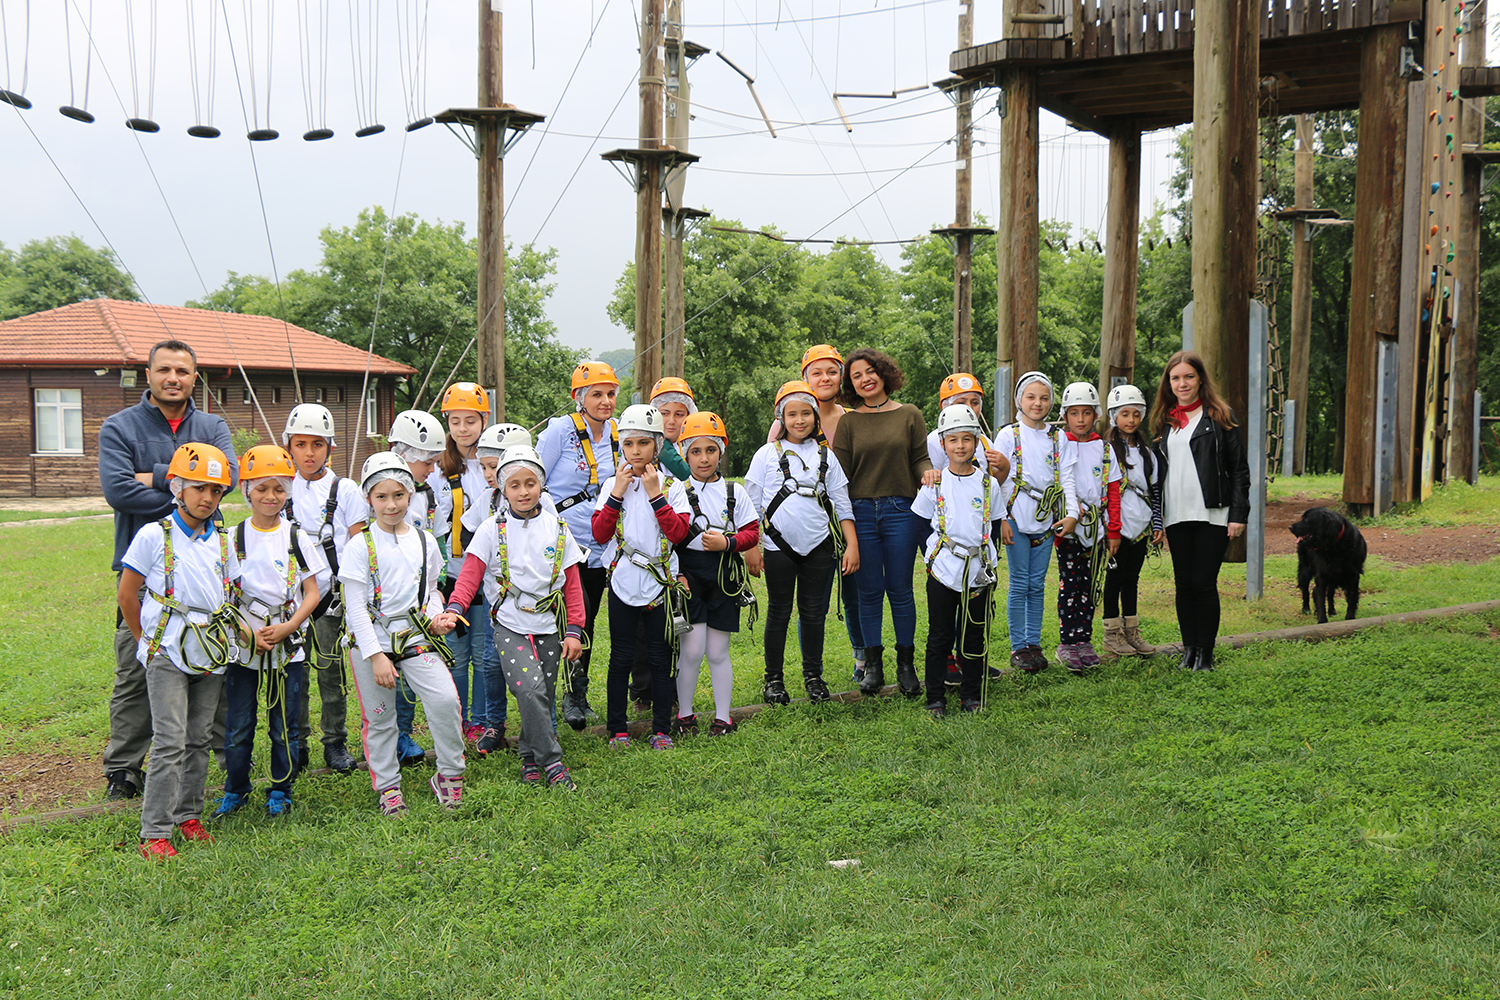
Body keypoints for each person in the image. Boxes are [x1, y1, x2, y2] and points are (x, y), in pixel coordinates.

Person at [98, 338, 236, 801]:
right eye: (164, 370)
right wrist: (177, 483)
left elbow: (228, 478)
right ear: (149, 375)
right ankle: (123, 768)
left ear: (194, 377)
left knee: (208, 659)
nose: (173, 378)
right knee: (136, 673)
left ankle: (219, 756)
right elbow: (118, 490)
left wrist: (151, 475)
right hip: (143, 569)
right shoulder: (119, 427)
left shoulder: (212, 424)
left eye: (182, 370)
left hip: (199, 567)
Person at [117, 443, 239, 858]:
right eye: (198, 488)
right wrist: (145, 642)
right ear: (177, 487)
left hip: (210, 652)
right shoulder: (154, 535)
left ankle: (188, 815)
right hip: (167, 654)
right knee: (169, 740)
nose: (207, 498)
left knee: (198, 738)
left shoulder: (222, 541)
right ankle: (155, 831)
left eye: (216, 491)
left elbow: (230, 593)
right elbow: (127, 594)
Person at [442, 444, 586, 789]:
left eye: (530, 483)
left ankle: (527, 756)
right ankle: (552, 762)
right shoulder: (492, 528)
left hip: (550, 625)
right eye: (515, 485)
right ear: (502, 489)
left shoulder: (558, 528)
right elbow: (471, 574)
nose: (523, 492)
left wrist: (575, 630)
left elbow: (574, 586)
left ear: (541, 485)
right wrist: (454, 608)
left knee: (542, 695)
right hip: (509, 624)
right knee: (530, 688)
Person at [342, 453, 465, 815]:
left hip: (413, 636)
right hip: (372, 640)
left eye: (398, 494)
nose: (391, 504)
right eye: (381, 497)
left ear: (410, 494)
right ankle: (388, 786)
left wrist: (437, 617)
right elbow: (355, 608)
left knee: (444, 700)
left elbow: (428, 593)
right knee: (380, 716)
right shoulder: (358, 547)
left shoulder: (425, 541)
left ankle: (449, 774)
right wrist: (376, 655)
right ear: (369, 499)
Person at [212, 445, 323, 819]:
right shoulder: (232, 538)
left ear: (288, 491)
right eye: (262, 489)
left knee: (284, 723)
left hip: (288, 647)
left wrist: (292, 625)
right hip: (244, 647)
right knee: (239, 723)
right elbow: (224, 596)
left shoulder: (295, 536)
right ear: (246, 490)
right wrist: (246, 634)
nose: (270, 497)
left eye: (278, 489)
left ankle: (281, 788)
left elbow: (313, 590)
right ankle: (235, 788)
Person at [746, 380, 857, 706]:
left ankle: (813, 676)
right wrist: (752, 546)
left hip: (819, 547)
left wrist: (852, 544)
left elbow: (842, 502)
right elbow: (751, 505)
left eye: (806, 413)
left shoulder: (827, 456)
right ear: (781, 418)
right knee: (778, 613)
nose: (799, 420)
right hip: (778, 547)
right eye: (791, 414)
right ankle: (774, 680)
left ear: (815, 417)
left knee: (812, 614)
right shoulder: (766, 455)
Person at [830, 348, 933, 699]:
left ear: (884, 373)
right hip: (859, 512)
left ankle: (906, 665)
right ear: (851, 384)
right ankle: (873, 666)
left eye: (870, 371)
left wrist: (928, 474)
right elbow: (839, 476)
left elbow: (919, 458)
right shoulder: (849, 422)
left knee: (901, 591)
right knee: (869, 592)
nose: (865, 379)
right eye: (856, 375)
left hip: (901, 510)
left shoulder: (909, 414)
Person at [590, 404, 692, 749]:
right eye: (629, 444)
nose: (636, 451)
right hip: (622, 581)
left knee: (661, 656)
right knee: (621, 656)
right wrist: (618, 493)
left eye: (644, 444)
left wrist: (654, 494)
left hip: (659, 583)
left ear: (657, 446)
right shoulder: (611, 486)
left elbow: (678, 533)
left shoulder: (672, 486)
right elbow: (600, 533)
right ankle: (617, 728)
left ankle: (662, 728)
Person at [1150, 351, 1250, 673]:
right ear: (1169, 383)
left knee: (1204, 583)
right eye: (1176, 378)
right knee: (1184, 585)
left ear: (1200, 379)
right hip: (1175, 514)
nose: (1182, 383)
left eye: (1188, 377)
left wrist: (1238, 514)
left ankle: (1205, 655)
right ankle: (1189, 650)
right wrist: (1157, 518)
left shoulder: (1220, 416)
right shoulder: (1163, 421)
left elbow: (1239, 471)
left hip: (1213, 513)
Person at [283, 402, 367, 774]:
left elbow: (359, 543)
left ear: (330, 447)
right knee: (295, 675)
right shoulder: (282, 488)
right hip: (293, 601)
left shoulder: (344, 489)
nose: (309, 453)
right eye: (300, 444)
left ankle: (334, 741)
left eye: (317, 444)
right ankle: (295, 743)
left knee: (332, 674)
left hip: (331, 599)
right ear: (290, 447)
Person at [537, 361, 621, 729]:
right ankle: (563, 694)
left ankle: (577, 693)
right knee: (573, 618)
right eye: (597, 394)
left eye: (610, 394)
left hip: (602, 544)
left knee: (590, 619)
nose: (605, 401)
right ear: (579, 398)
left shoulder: (619, 434)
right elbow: (535, 478)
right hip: (566, 542)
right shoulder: (560, 431)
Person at [667, 412, 760, 736]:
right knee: (691, 651)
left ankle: (724, 717)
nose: (703, 458)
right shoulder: (677, 490)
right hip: (690, 577)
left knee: (718, 652)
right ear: (684, 454)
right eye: (695, 451)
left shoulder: (735, 492)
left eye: (710, 450)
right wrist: (675, 573)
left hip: (724, 578)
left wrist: (729, 542)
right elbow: (670, 533)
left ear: (721, 451)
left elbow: (752, 532)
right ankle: (686, 715)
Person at [914, 405, 1004, 716]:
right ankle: (935, 697)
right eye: (953, 440)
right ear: (942, 444)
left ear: (978, 441)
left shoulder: (989, 484)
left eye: (967, 439)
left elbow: (993, 527)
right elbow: (920, 524)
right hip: (943, 571)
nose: (961, 446)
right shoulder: (934, 483)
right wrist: (930, 559)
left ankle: (971, 695)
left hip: (978, 572)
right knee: (939, 635)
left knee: (974, 633)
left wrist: (990, 566)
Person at [924, 372, 1010, 687]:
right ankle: (946, 664)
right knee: (943, 619)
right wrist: (934, 555)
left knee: (975, 619)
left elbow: (991, 493)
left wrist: (1006, 468)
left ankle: (971, 664)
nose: (970, 407)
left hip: (979, 540)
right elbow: (929, 506)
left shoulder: (984, 445)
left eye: (975, 402)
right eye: (962, 402)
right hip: (946, 545)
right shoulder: (936, 441)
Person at [458, 420, 535, 755]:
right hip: (497, 605)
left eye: (494, 467)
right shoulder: (488, 501)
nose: (489, 475)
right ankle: (495, 723)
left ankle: (540, 725)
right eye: (485, 467)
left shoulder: (537, 502)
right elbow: (465, 536)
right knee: (491, 664)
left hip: (534, 606)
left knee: (534, 671)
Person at [996, 372, 1078, 673]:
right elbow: (999, 481)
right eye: (1030, 397)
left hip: (1046, 522)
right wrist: (1002, 518)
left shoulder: (1058, 438)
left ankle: (1034, 643)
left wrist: (1072, 514)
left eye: (1044, 398)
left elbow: (1067, 479)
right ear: (1019, 400)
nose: (1037, 403)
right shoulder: (1009, 435)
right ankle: (1018, 646)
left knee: (1036, 584)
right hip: (1016, 518)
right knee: (1019, 583)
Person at [387, 408, 452, 767]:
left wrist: (437, 585)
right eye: (426, 462)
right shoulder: (381, 493)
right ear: (404, 455)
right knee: (390, 670)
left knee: (416, 661)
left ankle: (406, 731)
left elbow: (438, 538)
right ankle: (392, 734)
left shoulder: (426, 493)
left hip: (421, 596)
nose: (431, 469)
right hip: (389, 599)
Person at [433, 382, 495, 744]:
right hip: (453, 575)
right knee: (456, 653)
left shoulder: (492, 463)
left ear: (483, 420)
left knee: (484, 653)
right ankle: (458, 718)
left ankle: (482, 718)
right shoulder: (441, 469)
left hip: (486, 577)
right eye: (455, 421)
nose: (463, 428)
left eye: (470, 420)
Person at [1054, 382, 1122, 674]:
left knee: (1090, 584)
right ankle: (1067, 642)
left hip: (1096, 530)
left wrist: (1114, 531)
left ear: (1096, 415)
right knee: (1070, 584)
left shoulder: (1104, 449)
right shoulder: (1059, 444)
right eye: (1074, 413)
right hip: (1069, 531)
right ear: (1065, 416)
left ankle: (1085, 639)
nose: (1080, 419)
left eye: (1086, 413)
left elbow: (1113, 490)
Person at [1099, 385, 1163, 658]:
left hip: (1140, 526)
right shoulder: (1107, 450)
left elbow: (1155, 490)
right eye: (1125, 414)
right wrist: (1107, 527)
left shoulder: (1148, 453)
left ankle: (1131, 631)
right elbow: (1103, 490)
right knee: (1114, 579)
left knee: (1132, 579)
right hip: (1117, 527)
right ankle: (1111, 634)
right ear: (1114, 416)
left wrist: (1158, 524)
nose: (1131, 420)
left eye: (1136, 414)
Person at [649, 376, 695, 481]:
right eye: (664, 413)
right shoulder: (641, 443)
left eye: (679, 414)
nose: (671, 421)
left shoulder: (695, 444)